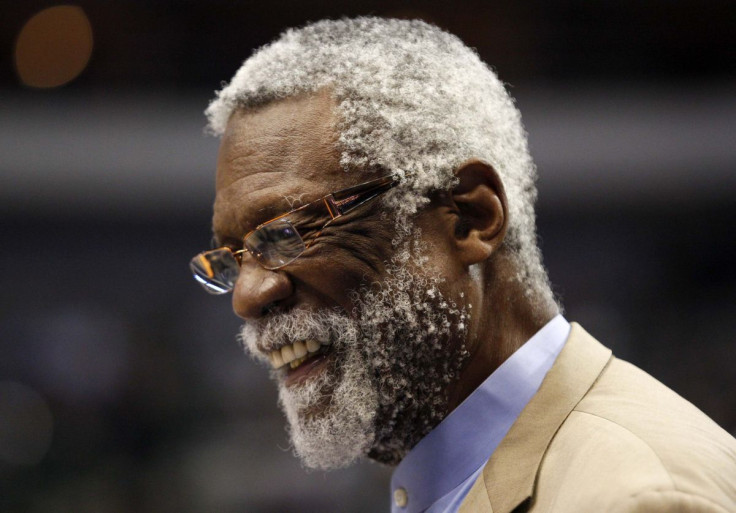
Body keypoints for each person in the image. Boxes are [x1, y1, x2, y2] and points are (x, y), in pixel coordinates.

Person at [189, 17, 736, 513]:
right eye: (234, 257)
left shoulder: (631, 497)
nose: (247, 296)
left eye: (286, 233)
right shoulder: (454, 481)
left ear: (470, 217)